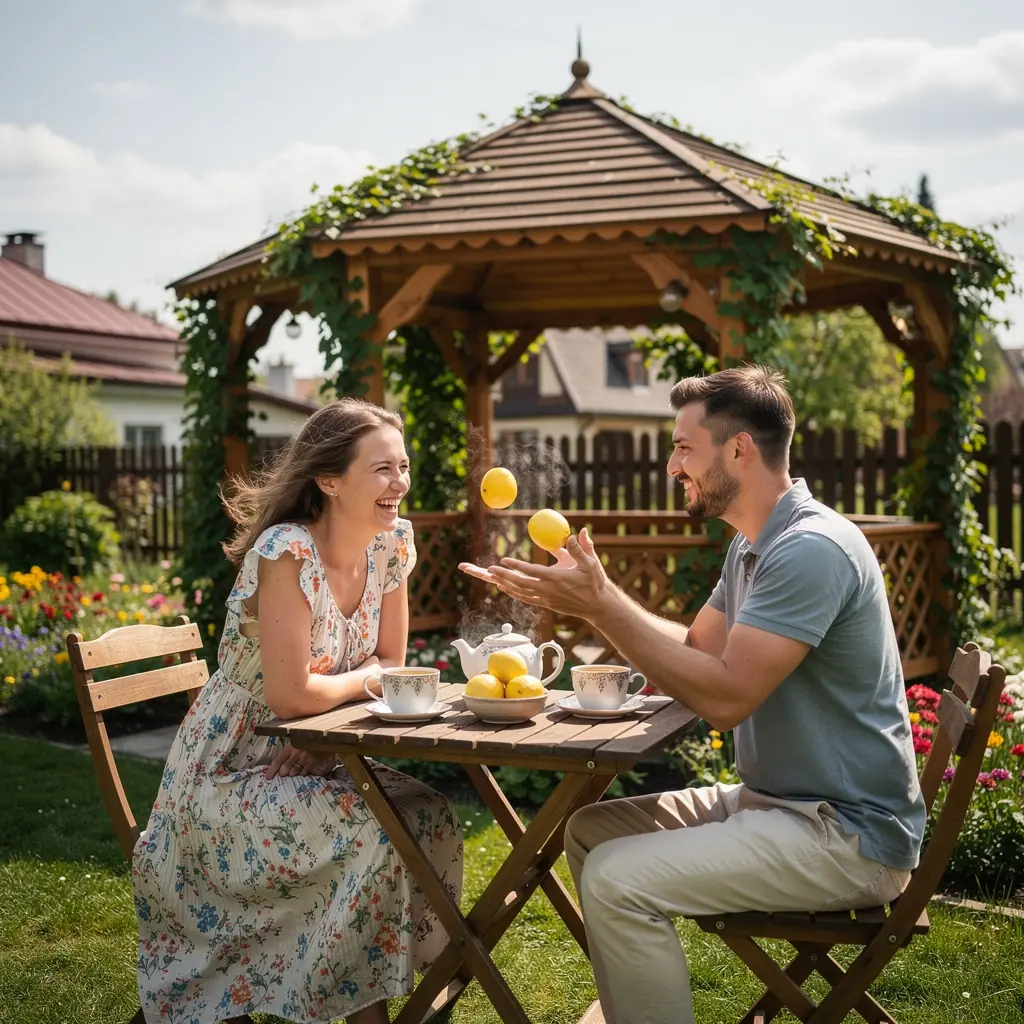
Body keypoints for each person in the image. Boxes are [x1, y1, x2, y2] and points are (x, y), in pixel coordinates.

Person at [460, 366, 925, 1024]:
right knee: (591, 833)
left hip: (845, 834)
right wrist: (596, 598)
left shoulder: (810, 549)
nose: (672, 465)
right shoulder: (753, 546)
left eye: (683, 447)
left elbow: (729, 696)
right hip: (781, 804)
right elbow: (700, 649)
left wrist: (597, 608)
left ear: (739, 450)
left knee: (619, 881)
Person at [133, 399, 463, 1024]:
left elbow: (391, 659)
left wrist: (329, 723)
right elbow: (293, 698)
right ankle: (365, 1013)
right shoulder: (287, 551)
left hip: (316, 754)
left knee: (430, 816)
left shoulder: (389, 545)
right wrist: (359, 685)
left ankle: (429, 1000)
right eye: (383, 470)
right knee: (376, 833)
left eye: (404, 466)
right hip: (230, 772)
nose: (401, 484)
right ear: (330, 480)